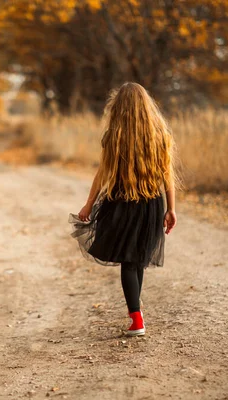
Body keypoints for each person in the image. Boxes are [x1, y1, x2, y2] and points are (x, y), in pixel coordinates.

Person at [69, 82, 178, 337]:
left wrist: (88, 203)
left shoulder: (114, 135)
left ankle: (137, 320)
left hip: (121, 203)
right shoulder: (160, 134)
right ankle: (136, 315)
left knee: (129, 261)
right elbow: (167, 174)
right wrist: (171, 208)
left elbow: (102, 172)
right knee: (136, 259)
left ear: (119, 107)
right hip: (152, 204)